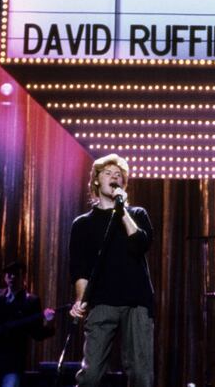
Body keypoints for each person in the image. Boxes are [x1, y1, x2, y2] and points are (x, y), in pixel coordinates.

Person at [68, 154, 155, 387]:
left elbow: (141, 244)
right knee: (91, 373)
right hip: (101, 302)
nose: (115, 176)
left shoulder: (137, 215)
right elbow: (80, 268)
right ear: (96, 180)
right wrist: (81, 300)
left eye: (119, 175)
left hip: (136, 303)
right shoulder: (82, 224)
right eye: (108, 173)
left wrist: (122, 209)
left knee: (140, 373)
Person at [0, 262, 56, 387]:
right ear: (5, 277)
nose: (12, 277)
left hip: (12, 363)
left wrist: (49, 321)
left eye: (16, 274)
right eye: (9, 274)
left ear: (24, 277)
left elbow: (38, 334)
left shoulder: (31, 301)